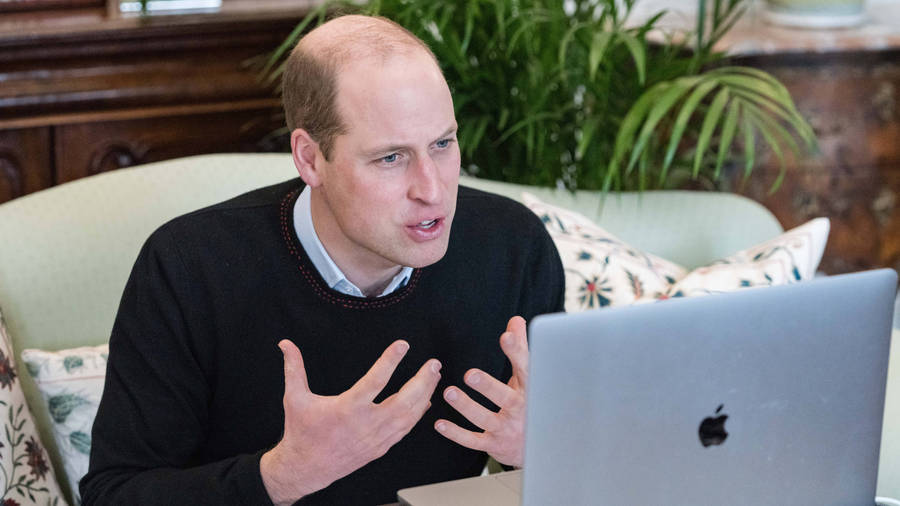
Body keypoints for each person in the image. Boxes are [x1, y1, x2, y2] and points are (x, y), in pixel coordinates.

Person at [80, 14, 564, 506]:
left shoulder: (513, 246)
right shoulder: (188, 266)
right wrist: (283, 475)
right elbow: (113, 494)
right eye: (390, 158)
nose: (433, 190)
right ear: (310, 159)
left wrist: (545, 451)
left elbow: (569, 467)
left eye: (442, 144)